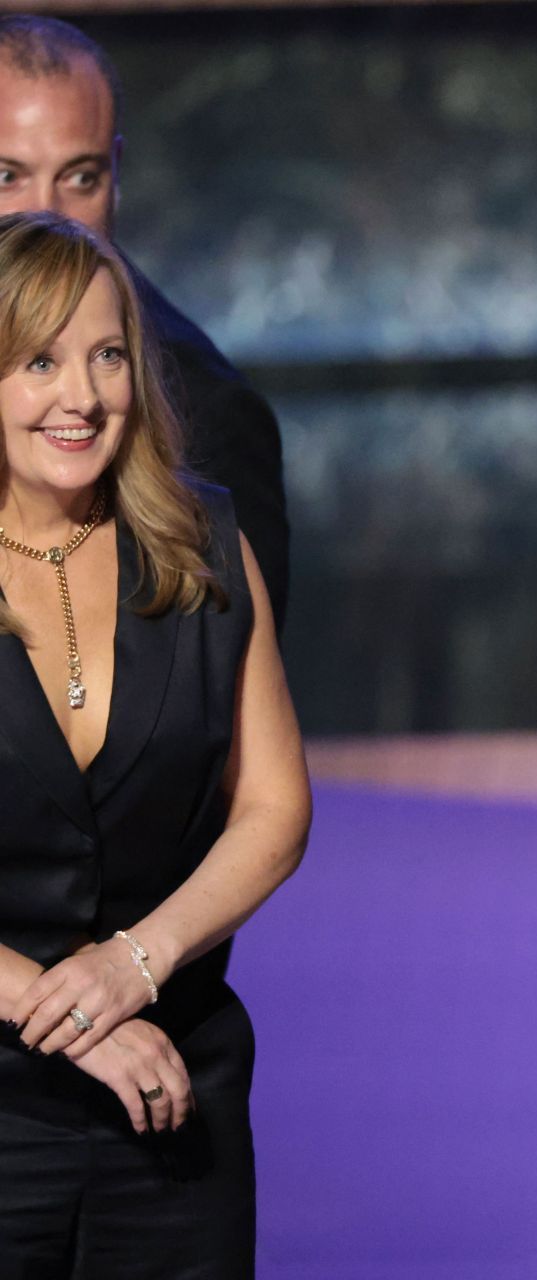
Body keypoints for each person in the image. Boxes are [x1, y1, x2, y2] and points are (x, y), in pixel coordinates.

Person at [0, 212, 309, 1277]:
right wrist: (75, 1016)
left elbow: (274, 810)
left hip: (177, 1100)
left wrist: (139, 960)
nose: (80, 396)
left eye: (107, 354)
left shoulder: (205, 539)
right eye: (38, 360)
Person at [0, 15, 289, 630]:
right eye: (7, 177)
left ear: (117, 174)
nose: (45, 214)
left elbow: (233, 691)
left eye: (80, 178)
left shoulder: (206, 408)